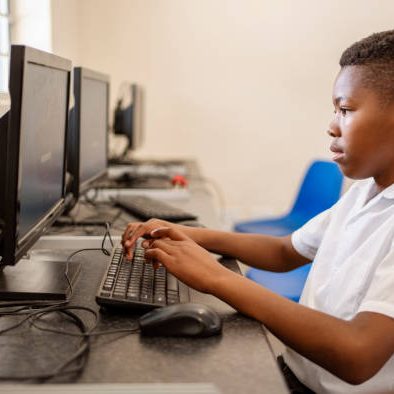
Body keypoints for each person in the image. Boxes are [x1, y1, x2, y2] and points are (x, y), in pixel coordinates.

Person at [122, 30, 394, 394]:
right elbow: (285, 252)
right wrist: (192, 235)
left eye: (345, 110)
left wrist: (218, 279)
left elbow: (358, 355)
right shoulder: (364, 192)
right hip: (293, 374)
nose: (331, 124)